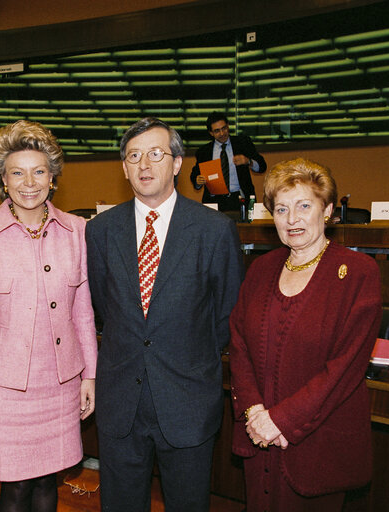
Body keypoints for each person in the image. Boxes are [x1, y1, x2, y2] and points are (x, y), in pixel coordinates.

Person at [86, 117, 243, 512]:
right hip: (121, 401)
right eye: (134, 156)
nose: (144, 165)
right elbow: (104, 308)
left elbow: (227, 315)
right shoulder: (100, 231)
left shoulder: (215, 229)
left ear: (176, 163)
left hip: (188, 399)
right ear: (123, 168)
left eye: (156, 154)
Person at [0, 120, 98, 512]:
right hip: (4, 390)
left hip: (60, 384)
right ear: (2, 180)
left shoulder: (77, 230)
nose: (29, 182)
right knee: (15, 488)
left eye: (39, 171)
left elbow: (83, 313)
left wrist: (90, 375)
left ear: (52, 177)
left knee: (49, 481)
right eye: (17, 172)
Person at [228, 157, 382, 511]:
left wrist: (279, 421)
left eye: (304, 205)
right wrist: (255, 413)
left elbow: (345, 368)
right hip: (259, 439)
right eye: (281, 209)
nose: (292, 219)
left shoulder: (359, 273)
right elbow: (239, 344)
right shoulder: (261, 269)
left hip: (319, 447)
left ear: (327, 210)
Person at [190, 111, 267, 211]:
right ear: (211, 133)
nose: (222, 133)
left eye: (224, 128)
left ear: (228, 126)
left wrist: (248, 161)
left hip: (240, 199)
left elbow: (262, 167)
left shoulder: (242, 143)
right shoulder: (204, 151)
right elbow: (195, 175)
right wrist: (198, 181)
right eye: (217, 131)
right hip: (214, 202)